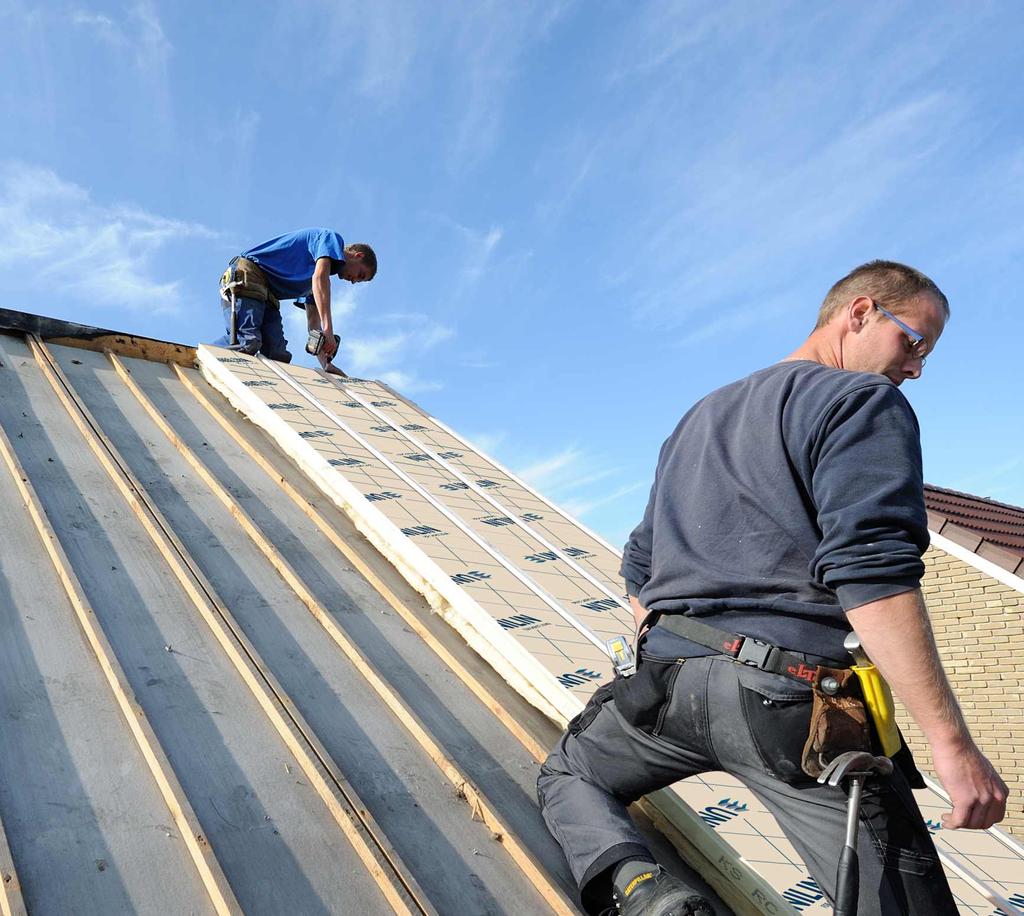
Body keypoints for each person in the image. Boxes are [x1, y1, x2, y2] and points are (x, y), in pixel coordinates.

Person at [537, 261, 1007, 916]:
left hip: (667, 687)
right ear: (862, 311)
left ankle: (641, 890)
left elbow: (638, 564)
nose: (916, 368)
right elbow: (872, 575)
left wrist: (669, 638)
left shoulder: (698, 419)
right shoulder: (860, 402)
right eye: (914, 342)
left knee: (570, 772)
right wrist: (952, 749)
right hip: (791, 701)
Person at [213, 227, 376, 370]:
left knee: (277, 357)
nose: (354, 280)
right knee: (246, 342)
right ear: (357, 255)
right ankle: (197, 360)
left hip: (268, 294)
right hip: (249, 275)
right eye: (360, 274)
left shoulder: (312, 282)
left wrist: (325, 363)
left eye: (358, 281)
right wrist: (329, 330)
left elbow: (313, 325)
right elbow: (320, 278)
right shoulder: (331, 239)